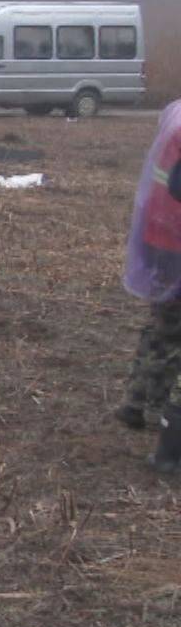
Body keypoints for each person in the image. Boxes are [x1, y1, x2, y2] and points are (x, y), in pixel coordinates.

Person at [118, 100, 181, 473]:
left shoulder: (176, 114)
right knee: (171, 330)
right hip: (174, 240)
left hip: (159, 234)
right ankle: (161, 411)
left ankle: (136, 400)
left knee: (161, 323)